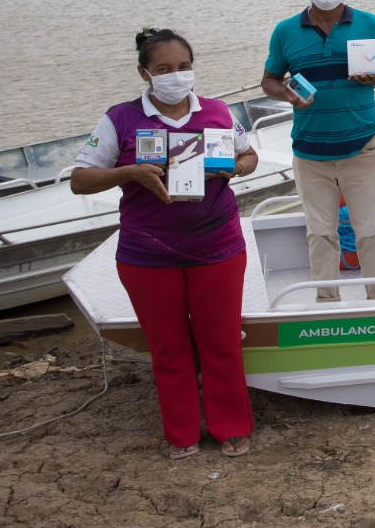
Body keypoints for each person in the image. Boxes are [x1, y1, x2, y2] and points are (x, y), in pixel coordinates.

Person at [71, 28, 258, 460]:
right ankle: (182, 434)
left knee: (222, 342)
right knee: (168, 348)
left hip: (218, 247)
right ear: (144, 73)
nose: (177, 76)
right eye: (164, 69)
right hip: (147, 254)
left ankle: (230, 427)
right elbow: (80, 180)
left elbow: (249, 157)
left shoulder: (216, 112)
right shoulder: (120, 118)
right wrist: (129, 172)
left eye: (184, 67)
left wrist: (231, 167)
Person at [261, 0, 375, 301]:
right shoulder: (285, 32)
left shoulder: (371, 24)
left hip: (361, 149)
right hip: (310, 153)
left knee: (369, 231)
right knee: (320, 233)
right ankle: (326, 300)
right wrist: (288, 95)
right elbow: (270, 80)